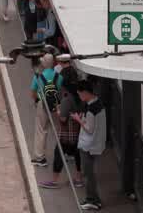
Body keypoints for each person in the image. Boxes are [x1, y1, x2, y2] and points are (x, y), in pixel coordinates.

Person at [40, 73, 85, 189]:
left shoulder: (66, 100)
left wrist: (57, 111)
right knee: (77, 154)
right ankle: (79, 178)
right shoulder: (80, 97)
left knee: (58, 153)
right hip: (78, 132)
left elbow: (63, 118)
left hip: (67, 133)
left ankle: (54, 180)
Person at [73, 80, 107, 210]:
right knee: (90, 173)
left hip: (88, 146)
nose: (80, 97)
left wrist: (78, 120)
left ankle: (92, 199)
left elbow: (89, 129)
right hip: (96, 144)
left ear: (86, 93)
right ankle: (94, 199)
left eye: (80, 94)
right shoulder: (99, 104)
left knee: (88, 174)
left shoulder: (91, 110)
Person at [28, 53, 58, 166]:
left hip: (43, 103)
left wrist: (36, 101)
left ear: (43, 63)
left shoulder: (38, 76)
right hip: (55, 104)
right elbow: (59, 90)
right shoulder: (58, 76)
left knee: (41, 130)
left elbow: (33, 93)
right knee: (57, 130)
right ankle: (64, 153)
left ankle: (40, 157)